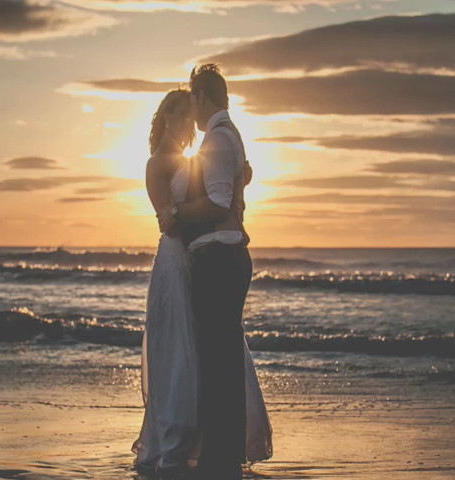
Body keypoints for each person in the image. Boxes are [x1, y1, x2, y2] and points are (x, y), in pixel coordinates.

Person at [132, 79, 272, 480]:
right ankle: (178, 444)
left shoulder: (202, 154)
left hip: (200, 262)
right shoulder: (157, 164)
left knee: (206, 356)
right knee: (181, 353)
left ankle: (210, 446)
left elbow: (215, 195)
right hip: (176, 264)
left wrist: (235, 186)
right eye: (177, 113)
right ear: (164, 118)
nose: (186, 120)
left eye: (187, 111)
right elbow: (170, 224)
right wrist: (222, 196)